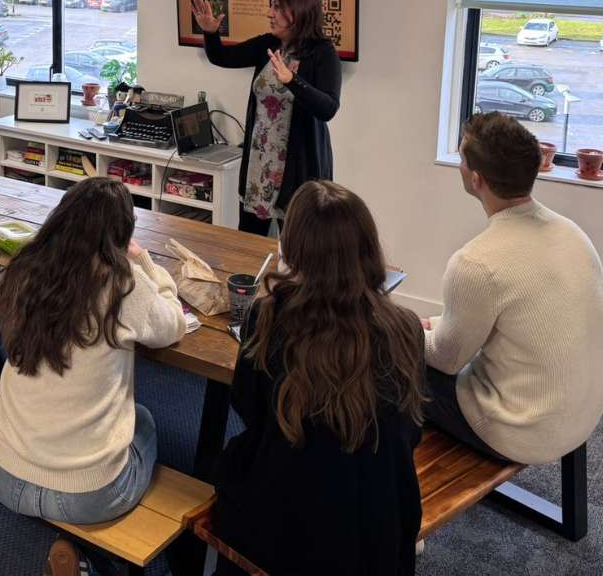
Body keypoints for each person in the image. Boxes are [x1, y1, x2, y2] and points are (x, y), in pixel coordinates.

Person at [215, 180, 425, 576]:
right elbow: (410, 431)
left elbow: (247, 408)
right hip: (379, 523)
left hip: (285, 527)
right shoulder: (406, 328)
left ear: (292, 251)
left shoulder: (269, 317)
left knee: (231, 465)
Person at [0, 178, 186, 575]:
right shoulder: (121, 281)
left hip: (4, 473)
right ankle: (89, 557)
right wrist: (145, 263)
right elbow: (172, 325)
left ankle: (72, 551)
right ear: (121, 234)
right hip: (89, 494)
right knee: (141, 420)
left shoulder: (25, 267)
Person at [424, 112, 603, 465]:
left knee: (387, 362)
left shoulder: (475, 263)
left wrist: (408, 330)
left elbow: (445, 360)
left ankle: (403, 488)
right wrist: (440, 323)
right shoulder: (574, 234)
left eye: (461, 158)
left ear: (476, 179)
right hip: (585, 414)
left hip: (522, 431)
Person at [191, 0, 341, 237]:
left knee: (298, 247)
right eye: (270, 6)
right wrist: (210, 33)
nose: (269, 13)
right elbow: (222, 57)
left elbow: (327, 108)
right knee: (248, 243)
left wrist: (293, 81)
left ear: (299, 11)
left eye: (276, 7)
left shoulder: (323, 53)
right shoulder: (268, 45)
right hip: (259, 164)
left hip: (299, 167)